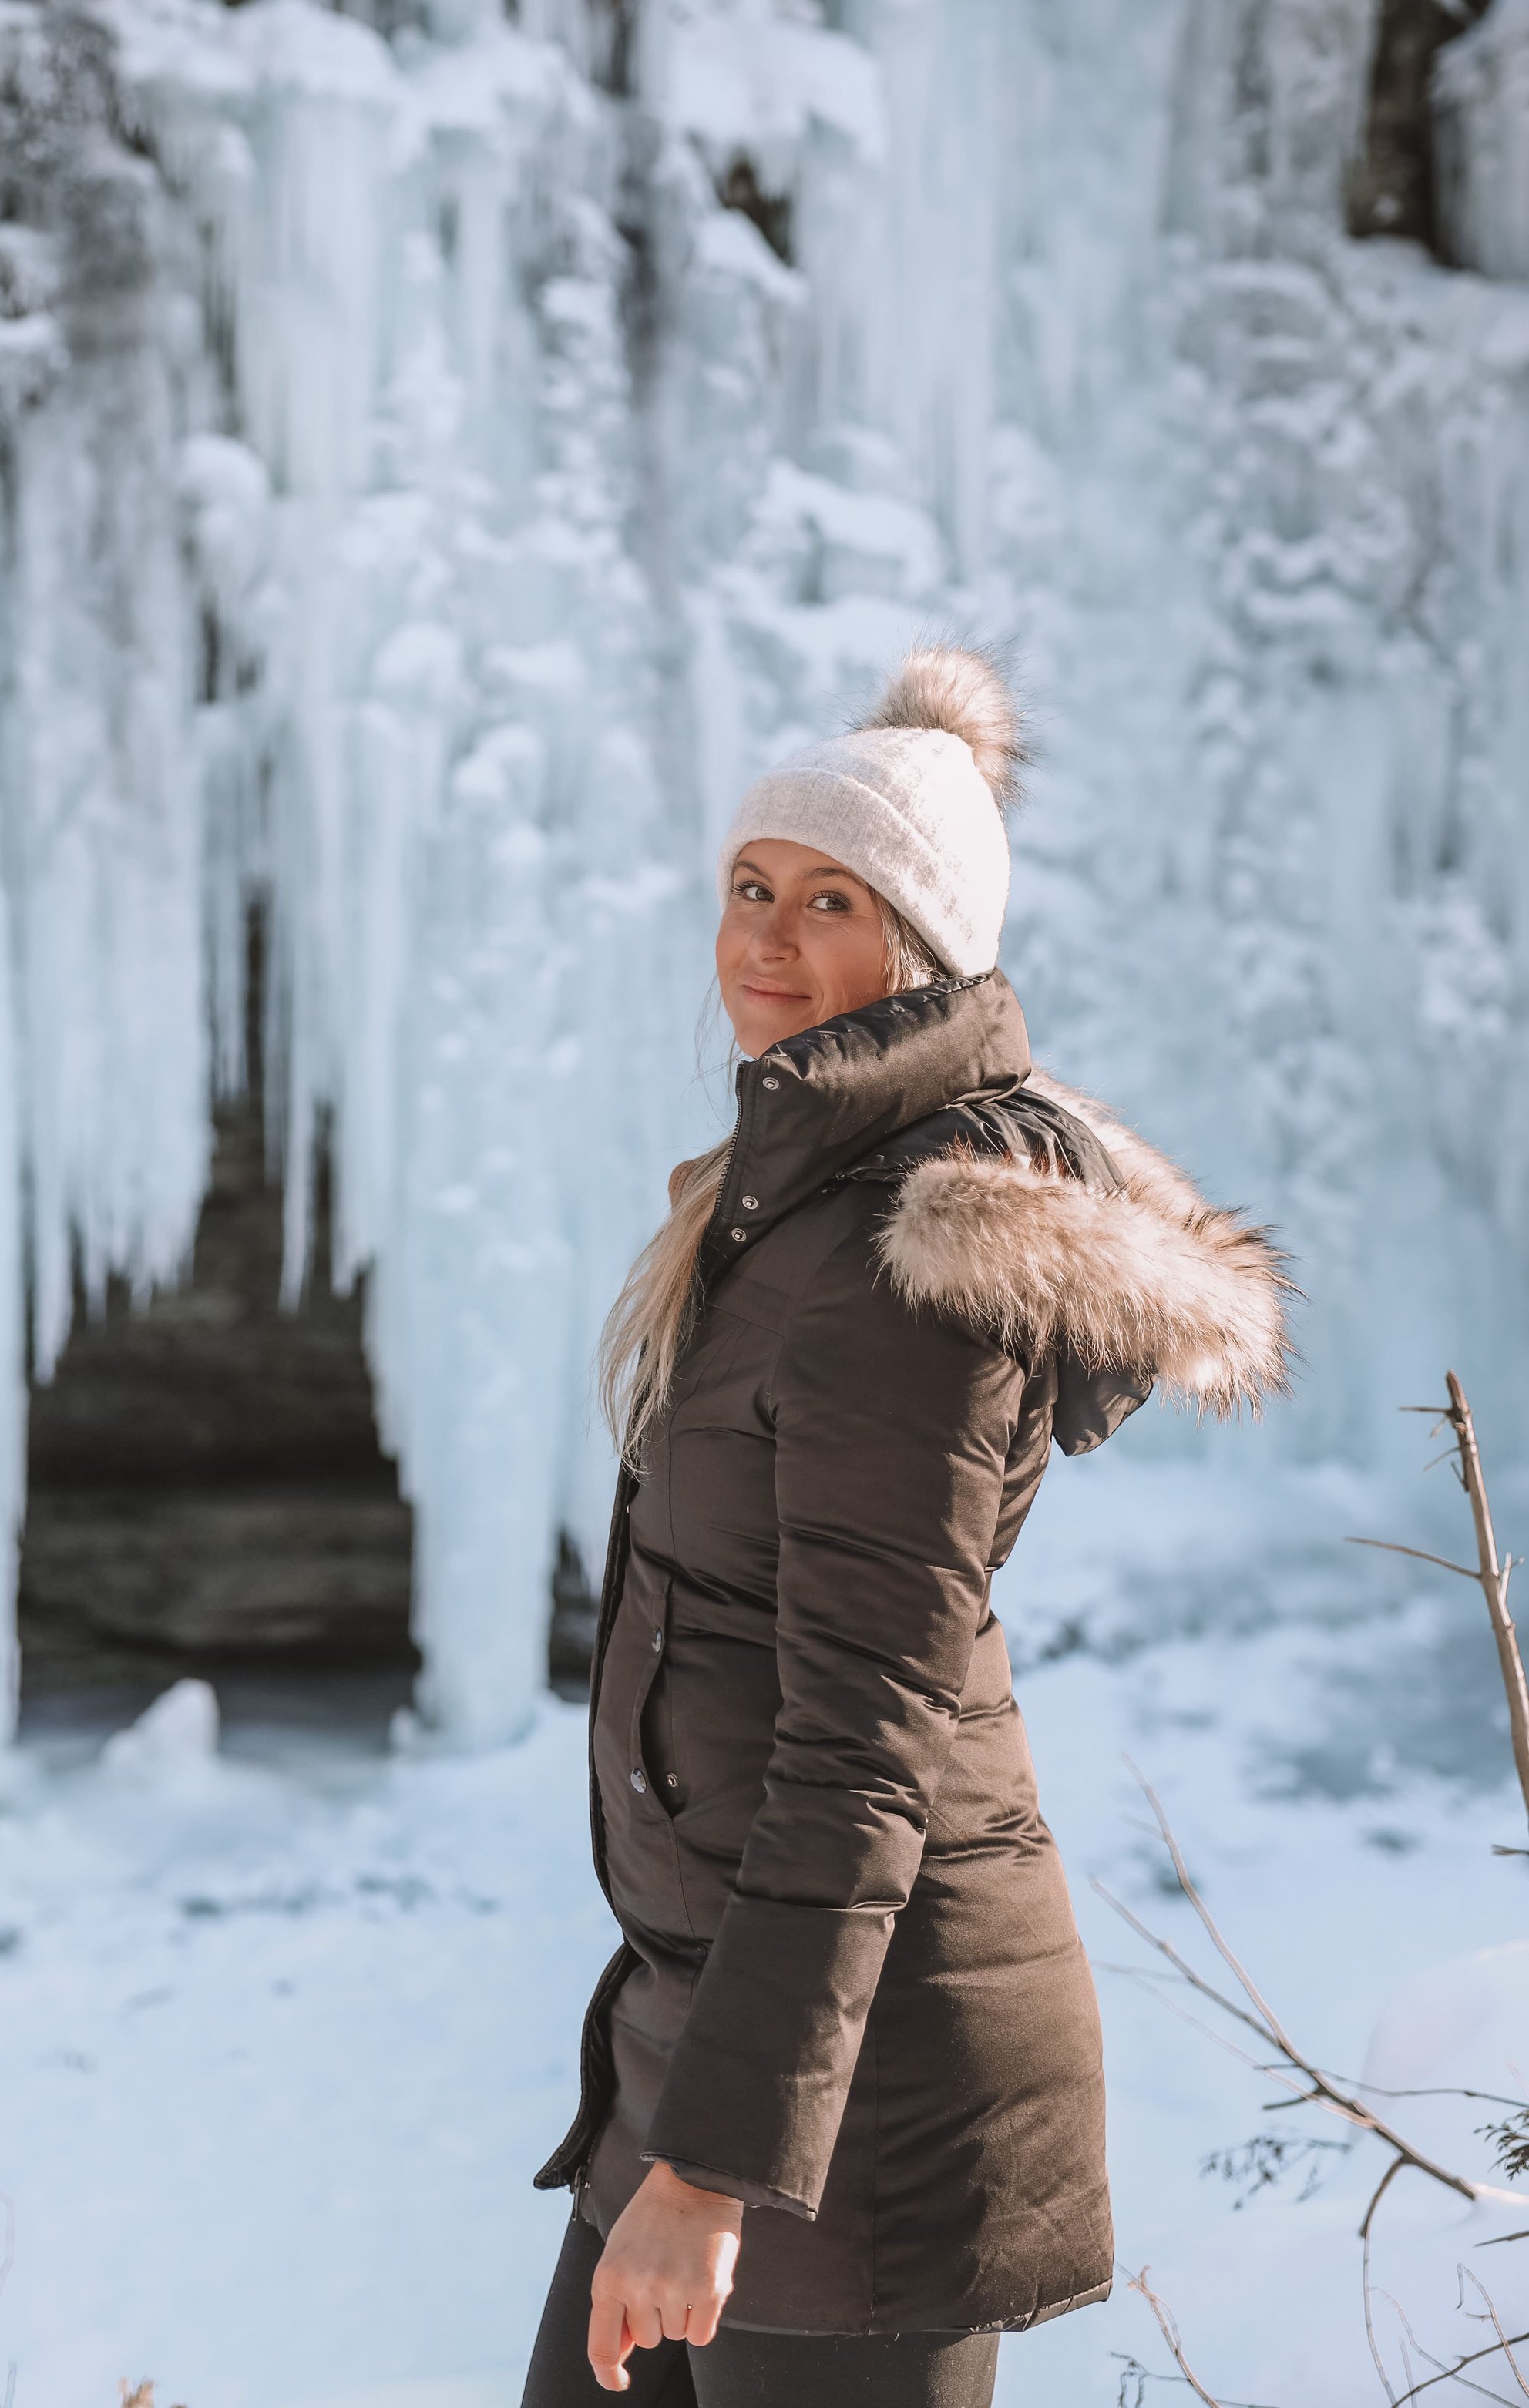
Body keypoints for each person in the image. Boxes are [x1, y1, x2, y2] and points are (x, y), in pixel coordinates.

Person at [520, 646, 1292, 2406]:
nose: (762, 939)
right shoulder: (791, 1203)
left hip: (851, 2113)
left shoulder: (906, 1261)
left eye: (830, 900)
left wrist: (714, 2171)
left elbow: (864, 1741)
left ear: (922, 950)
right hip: (716, 2036)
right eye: (747, 885)